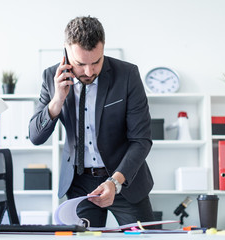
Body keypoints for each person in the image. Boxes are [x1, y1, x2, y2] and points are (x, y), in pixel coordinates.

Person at [29, 16, 155, 227]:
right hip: (80, 184)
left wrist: (115, 182)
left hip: (124, 180)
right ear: (66, 51)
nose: (89, 72)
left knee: (145, 236)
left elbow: (141, 140)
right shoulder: (51, 77)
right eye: (80, 64)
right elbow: (35, 137)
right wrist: (57, 100)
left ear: (103, 48)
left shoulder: (127, 75)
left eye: (96, 62)